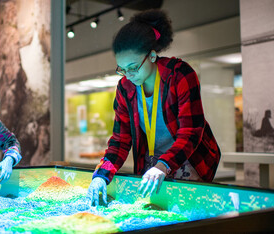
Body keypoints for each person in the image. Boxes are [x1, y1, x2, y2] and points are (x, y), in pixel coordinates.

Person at [87, 9, 221, 206]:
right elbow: (120, 140)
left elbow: (191, 131)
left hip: (187, 158)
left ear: (151, 56)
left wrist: (163, 165)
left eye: (133, 67)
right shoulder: (125, 88)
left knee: (186, 212)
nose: (128, 75)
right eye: (122, 69)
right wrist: (102, 174)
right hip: (152, 162)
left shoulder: (180, 75)